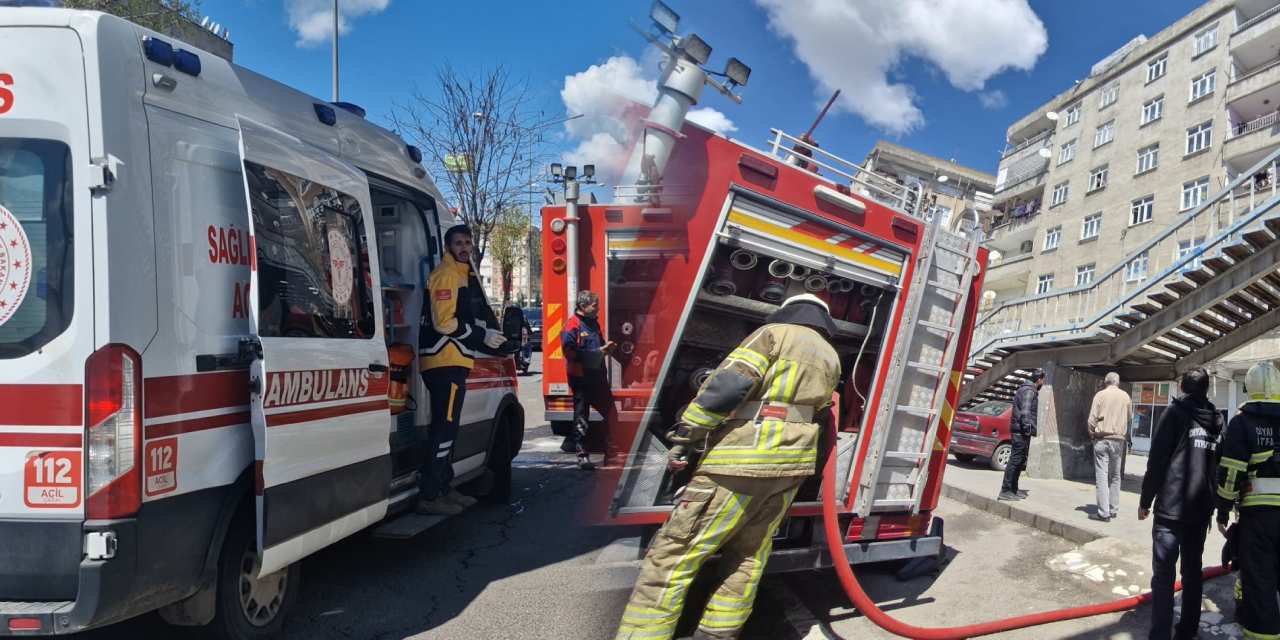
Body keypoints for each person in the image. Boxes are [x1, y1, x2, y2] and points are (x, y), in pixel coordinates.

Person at [615, 294, 841, 640]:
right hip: (790, 470)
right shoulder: (830, 356)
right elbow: (823, 418)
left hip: (740, 462)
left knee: (674, 555)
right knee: (749, 556)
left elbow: (728, 386)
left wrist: (687, 435)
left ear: (789, 310)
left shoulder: (772, 335)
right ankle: (717, 634)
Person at [416, 224, 508, 515]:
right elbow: (443, 323)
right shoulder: (446, 275)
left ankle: (444, 488)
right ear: (448, 246)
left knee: (449, 428)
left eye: (468, 242)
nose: (464, 247)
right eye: (458, 243)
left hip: (454, 359)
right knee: (444, 428)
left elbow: (462, 317)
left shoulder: (461, 274)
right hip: (444, 361)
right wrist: (481, 336)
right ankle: (431, 495)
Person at [1138, 368, 1222, 640]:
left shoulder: (1174, 413)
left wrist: (1145, 500)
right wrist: (1220, 507)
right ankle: (1187, 631)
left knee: (1163, 576)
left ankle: (1160, 635)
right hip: (1200, 510)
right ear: (1206, 390)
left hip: (1171, 510)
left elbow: (1157, 460)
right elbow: (1219, 467)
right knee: (1192, 574)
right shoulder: (1218, 421)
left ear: (1183, 387)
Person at [1216, 362, 1280, 640]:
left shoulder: (1243, 422)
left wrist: (1222, 509)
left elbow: (1231, 471)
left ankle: (1262, 634)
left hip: (1259, 517)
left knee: (1260, 580)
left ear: (1249, 387)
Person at [562, 290, 616, 469]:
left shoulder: (593, 323)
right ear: (583, 306)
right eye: (595, 305)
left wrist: (606, 349)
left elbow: (598, 346)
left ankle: (611, 451)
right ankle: (582, 455)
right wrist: (598, 352)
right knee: (581, 417)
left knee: (611, 413)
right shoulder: (572, 326)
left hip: (598, 376)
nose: (598, 308)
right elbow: (570, 353)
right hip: (581, 378)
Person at [1088, 372, 1132, 521]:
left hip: (1102, 439)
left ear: (1105, 381)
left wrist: (1092, 432)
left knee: (1102, 476)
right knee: (1115, 476)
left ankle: (1103, 512)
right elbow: (1129, 416)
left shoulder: (1100, 395)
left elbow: (1092, 419)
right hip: (1118, 441)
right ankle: (1113, 509)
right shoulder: (1125, 396)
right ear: (1117, 383)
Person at [1000, 369, 1044, 501]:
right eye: (1043, 381)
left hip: (1020, 430)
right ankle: (1006, 490)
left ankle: (1013, 489)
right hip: (1021, 431)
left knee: (1019, 461)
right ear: (1039, 380)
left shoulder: (1026, 389)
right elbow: (1025, 412)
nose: (1043, 383)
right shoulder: (1029, 390)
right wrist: (1027, 430)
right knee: (1015, 460)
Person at [502, 304, 533, 372]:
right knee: (527, 345)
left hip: (507, 340)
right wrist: (530, 332)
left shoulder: (503, 319)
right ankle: (525, 362)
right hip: (518, 340)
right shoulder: (522, 318)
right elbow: (527, 328)